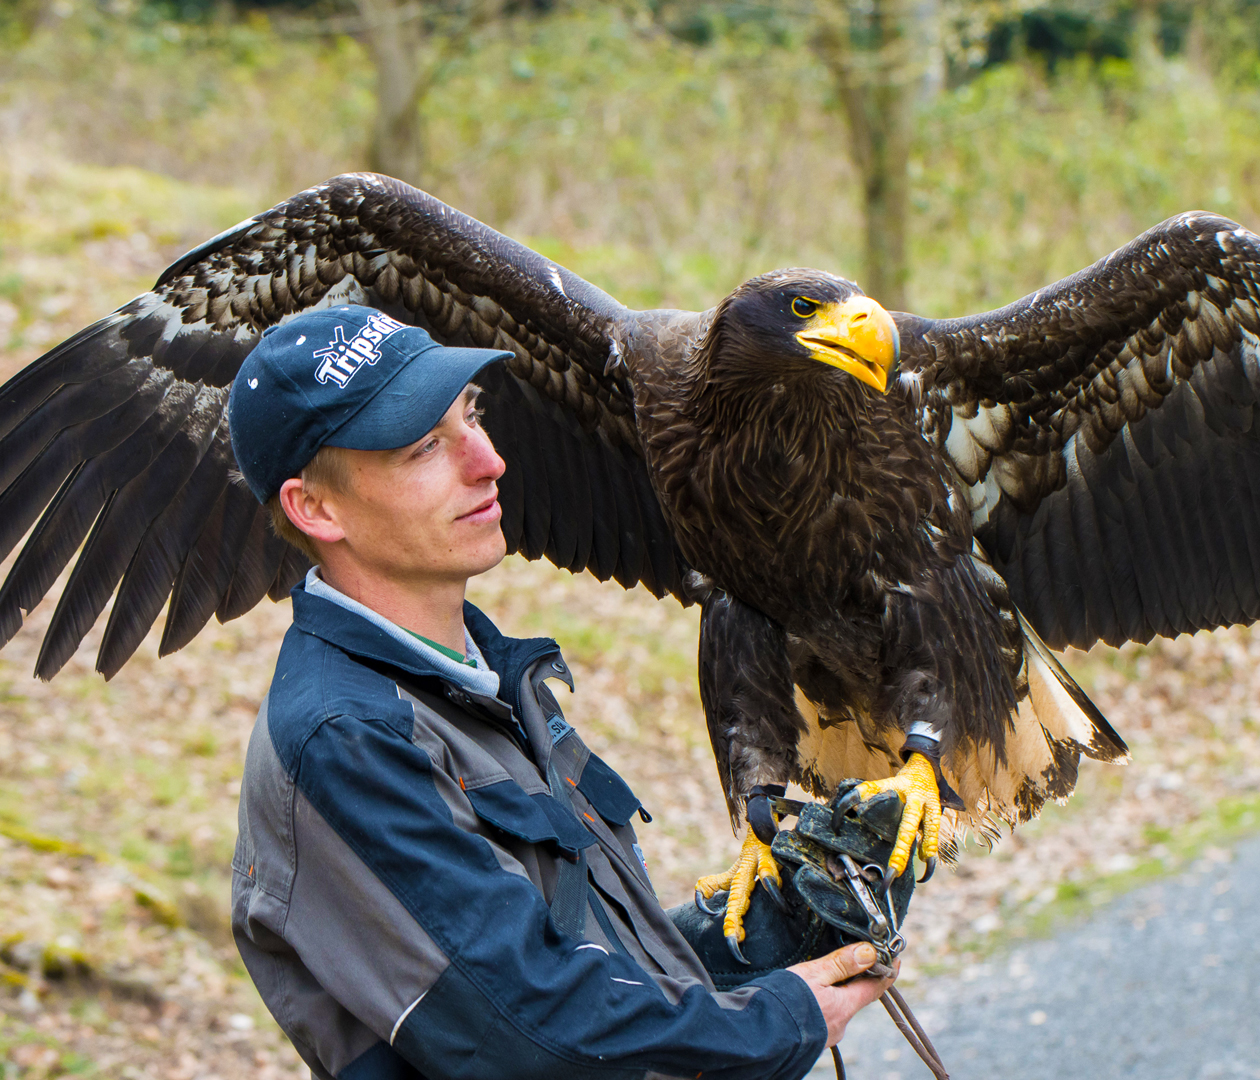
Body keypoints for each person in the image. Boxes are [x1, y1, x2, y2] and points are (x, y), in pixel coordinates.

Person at [225, 305, 897, 1080]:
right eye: (425, 448)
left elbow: (582, 965)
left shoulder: (482, 681)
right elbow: (532, 1033)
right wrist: (776, 1021)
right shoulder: (349, 738)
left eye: (472, 416)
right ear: (315, 507)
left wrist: (777, 933)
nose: (488, 462)